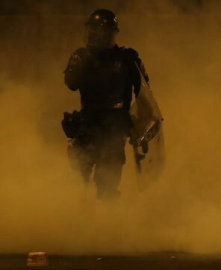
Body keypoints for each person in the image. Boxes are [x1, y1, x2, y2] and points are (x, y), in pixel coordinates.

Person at [63, 9, 149, 199]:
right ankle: (74, 223)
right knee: (77, 185)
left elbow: (144, 94)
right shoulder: (81, 56)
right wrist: (85, 60)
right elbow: (71, 83)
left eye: (98, 30)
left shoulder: (128, 59)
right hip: (87, 129)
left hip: (114, 132)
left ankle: (107, 225)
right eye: (91, 30)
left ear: (109, 32)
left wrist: (140, 128)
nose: (93, 35)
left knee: (107, 187)